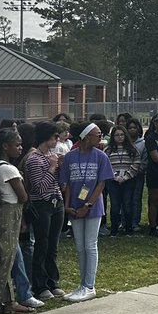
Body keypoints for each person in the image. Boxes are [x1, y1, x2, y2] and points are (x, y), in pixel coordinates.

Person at [59, 123, 112, 301]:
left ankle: (90, 285)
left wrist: (87, 205)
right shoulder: (70, 157)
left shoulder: (101, 156)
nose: (100, 138)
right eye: (97, 135)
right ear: (86, 137)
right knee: (80, 247)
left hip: (93, 207)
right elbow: (65, 184)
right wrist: (67, 206)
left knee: (90, 245)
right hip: (74, 206)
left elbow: (101, 184)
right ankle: (82, 284)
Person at [0, 129, 32, 314]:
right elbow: (23, 196)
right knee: (4, 261)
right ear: (5, 146)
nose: (20, 148)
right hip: (8, 213)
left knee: (1, 259)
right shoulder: (8, 169)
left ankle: (6, 300)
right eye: (17, 144)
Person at [25, 122, 66, 299]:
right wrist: (51, 167)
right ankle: (40, 285)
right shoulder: (34, 159)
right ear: (46, 138)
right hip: (42, 204)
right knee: (42, 244)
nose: (58, 140)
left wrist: (60, 167)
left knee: (53, 246)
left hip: (57, 202)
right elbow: (40, 187)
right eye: (55, 137)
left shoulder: (52, 155)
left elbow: (60, 182)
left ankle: (52, 281)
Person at [104, 126, 141, 235]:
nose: (119, 137)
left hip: (128, 180)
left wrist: (126, 176)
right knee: (115, 204)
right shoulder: (108, 149)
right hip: (112, 180)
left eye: (122, 135)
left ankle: (128, 228)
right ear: (113, 137)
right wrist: (115, 176)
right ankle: (114, 229)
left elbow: (136, 163)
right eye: (117, 135)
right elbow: (106, 165)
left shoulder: (133, 149)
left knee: (127, 204)